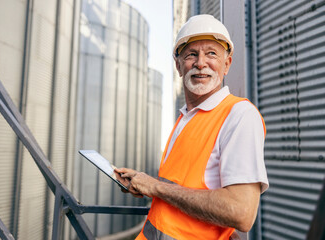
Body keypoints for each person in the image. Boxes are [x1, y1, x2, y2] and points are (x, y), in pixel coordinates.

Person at [115, 14, 269, 240]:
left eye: (211, 53)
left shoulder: (239, 116)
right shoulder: (185, 118)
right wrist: (143, 182)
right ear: (178, 66)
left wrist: (155, 188)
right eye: (191, 55)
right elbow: (183, 185)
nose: (200, 63)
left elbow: (241, 212)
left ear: (226, 64)